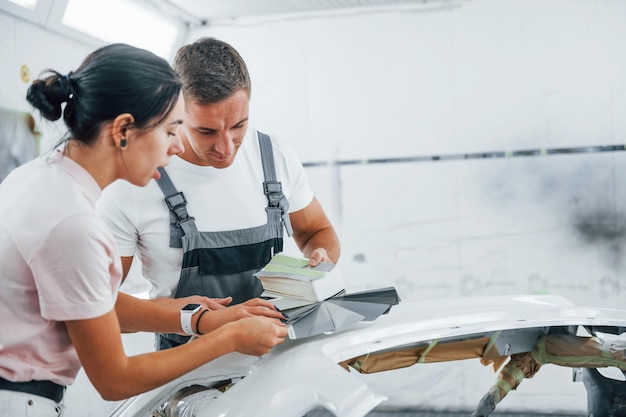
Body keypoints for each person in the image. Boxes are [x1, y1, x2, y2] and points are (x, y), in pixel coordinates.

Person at [0, 43, 287, 417]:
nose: (174, 149)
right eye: (170, 131)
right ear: (122, 130)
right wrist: (228, 337)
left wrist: (194, 318)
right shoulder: (75, 226)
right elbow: (114, 379)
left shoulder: (37, 179)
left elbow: (93, 301)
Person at [96, 37, 341, 350]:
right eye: (206, 131)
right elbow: (100, 309)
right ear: (175, 110)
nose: (226, 147)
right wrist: (197, 320)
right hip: (187, 375)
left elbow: (317, 231)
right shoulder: (133, 183)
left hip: (277, 361)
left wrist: (321, 259)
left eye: (239, 125)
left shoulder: (275, 155)